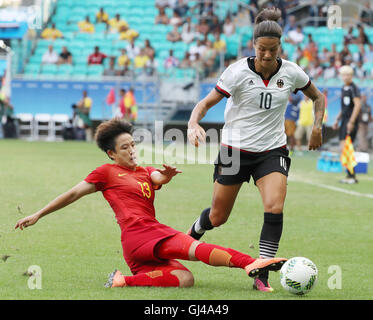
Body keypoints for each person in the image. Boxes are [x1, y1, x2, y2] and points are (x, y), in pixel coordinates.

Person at [14, 118, 287, 289]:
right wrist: (38, 214)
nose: (132, 150)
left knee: (185, 279)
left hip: (140, 245)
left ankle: (124, 280)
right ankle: (251, 263)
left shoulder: (144, 171)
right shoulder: (105, 173)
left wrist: (165, 177)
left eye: (133, 144)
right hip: (140, 234)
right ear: (111, 153)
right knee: (195, 247)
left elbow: (156, 176)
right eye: (124, 147)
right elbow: (73, 194)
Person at [186, 8, 325, 293]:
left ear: (279, 48)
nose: (266, 55)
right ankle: (191, 235)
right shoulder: (236, 72)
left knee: (274, 207)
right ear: (254, 46)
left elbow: (318, 97)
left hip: (272, 150)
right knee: (218, 216)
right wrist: (192, 123)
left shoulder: (291, 72)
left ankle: (261, 273)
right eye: (262, 49)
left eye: (272, 50)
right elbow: (204, 104)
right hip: (235, 151)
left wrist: (317, 127)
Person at [332, 65, 361, 184]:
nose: (345, 77)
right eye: (343, 75)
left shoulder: (354, 88)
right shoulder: (343, 88)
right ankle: (349, 175)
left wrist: (352, 121)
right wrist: (337, 119)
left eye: (348, 74)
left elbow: (357, 105)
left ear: (351, 75)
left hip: (350, 121)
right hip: (344, 120)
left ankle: (351, 176)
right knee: (343, 148)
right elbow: (345, 107)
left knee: (347, 147)